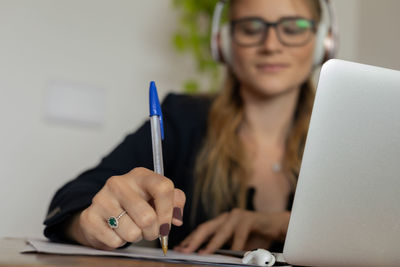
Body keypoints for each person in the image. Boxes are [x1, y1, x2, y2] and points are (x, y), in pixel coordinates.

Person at [44, 0, 334, 254]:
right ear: (223, 43)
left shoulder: (344, 137)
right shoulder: (182, 118)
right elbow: (70, 201)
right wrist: (92, 223)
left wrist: (284, 225)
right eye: (251, 28)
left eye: (294, 28)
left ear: (323, 41)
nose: (271, 45)